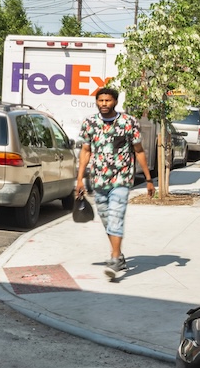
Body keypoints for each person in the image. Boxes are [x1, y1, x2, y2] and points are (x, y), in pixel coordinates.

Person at [73, 86, 154, 282]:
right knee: (107, 220)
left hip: (122, 179)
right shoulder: (90, 123)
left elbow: (139, 151)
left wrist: (149, 179)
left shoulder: (128, 122)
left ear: (115, 102)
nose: (104, 104)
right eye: (100, 101)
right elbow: (85, 151)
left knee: (116, 217)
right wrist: (80, 179)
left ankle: (114, 258)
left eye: (108, 101)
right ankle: (120, 255)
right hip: (99, 180)